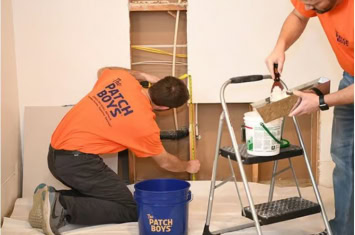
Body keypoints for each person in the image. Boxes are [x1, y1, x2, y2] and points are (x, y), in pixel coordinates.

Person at [28, 67, 201, 234]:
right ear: (165, 108)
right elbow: (165, 161)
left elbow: (102, 70)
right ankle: (61, 206)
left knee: (110, 197)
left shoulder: (122, 79)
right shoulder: (145, 126)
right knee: (131, 209)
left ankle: (50, 198)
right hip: (77, 163)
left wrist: (143, 75)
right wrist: (187, 166)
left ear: (155, 84)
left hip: (55, 153)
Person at [265, 0, 353, 235]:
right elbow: (298, 15)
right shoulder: (311, 2)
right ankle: (344, 230)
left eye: (316, 3)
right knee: (345, 157)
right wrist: (280, 46)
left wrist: (321, 101)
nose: (310, 8)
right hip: (351, 77)